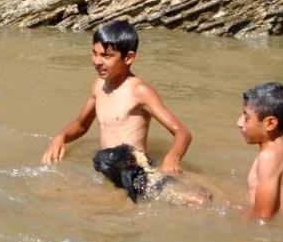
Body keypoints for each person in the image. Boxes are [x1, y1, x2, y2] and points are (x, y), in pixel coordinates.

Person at [41, 20, 192, 175]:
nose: (97, 61)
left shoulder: (140, 91)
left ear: (128, 58)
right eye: (94, 53)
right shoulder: (99, 85)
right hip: (106, 165)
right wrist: (61, 137)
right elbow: (81, 124)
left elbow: (183, 133)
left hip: (135, 171)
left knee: (195, 199)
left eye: (106, 56)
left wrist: (172, 158)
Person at [237, 82, 283, 219]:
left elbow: (262, 218)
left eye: (246, 118)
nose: (239, 123)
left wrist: (211, 205)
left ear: (270, 123)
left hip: (262, 237)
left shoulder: (269, 157)